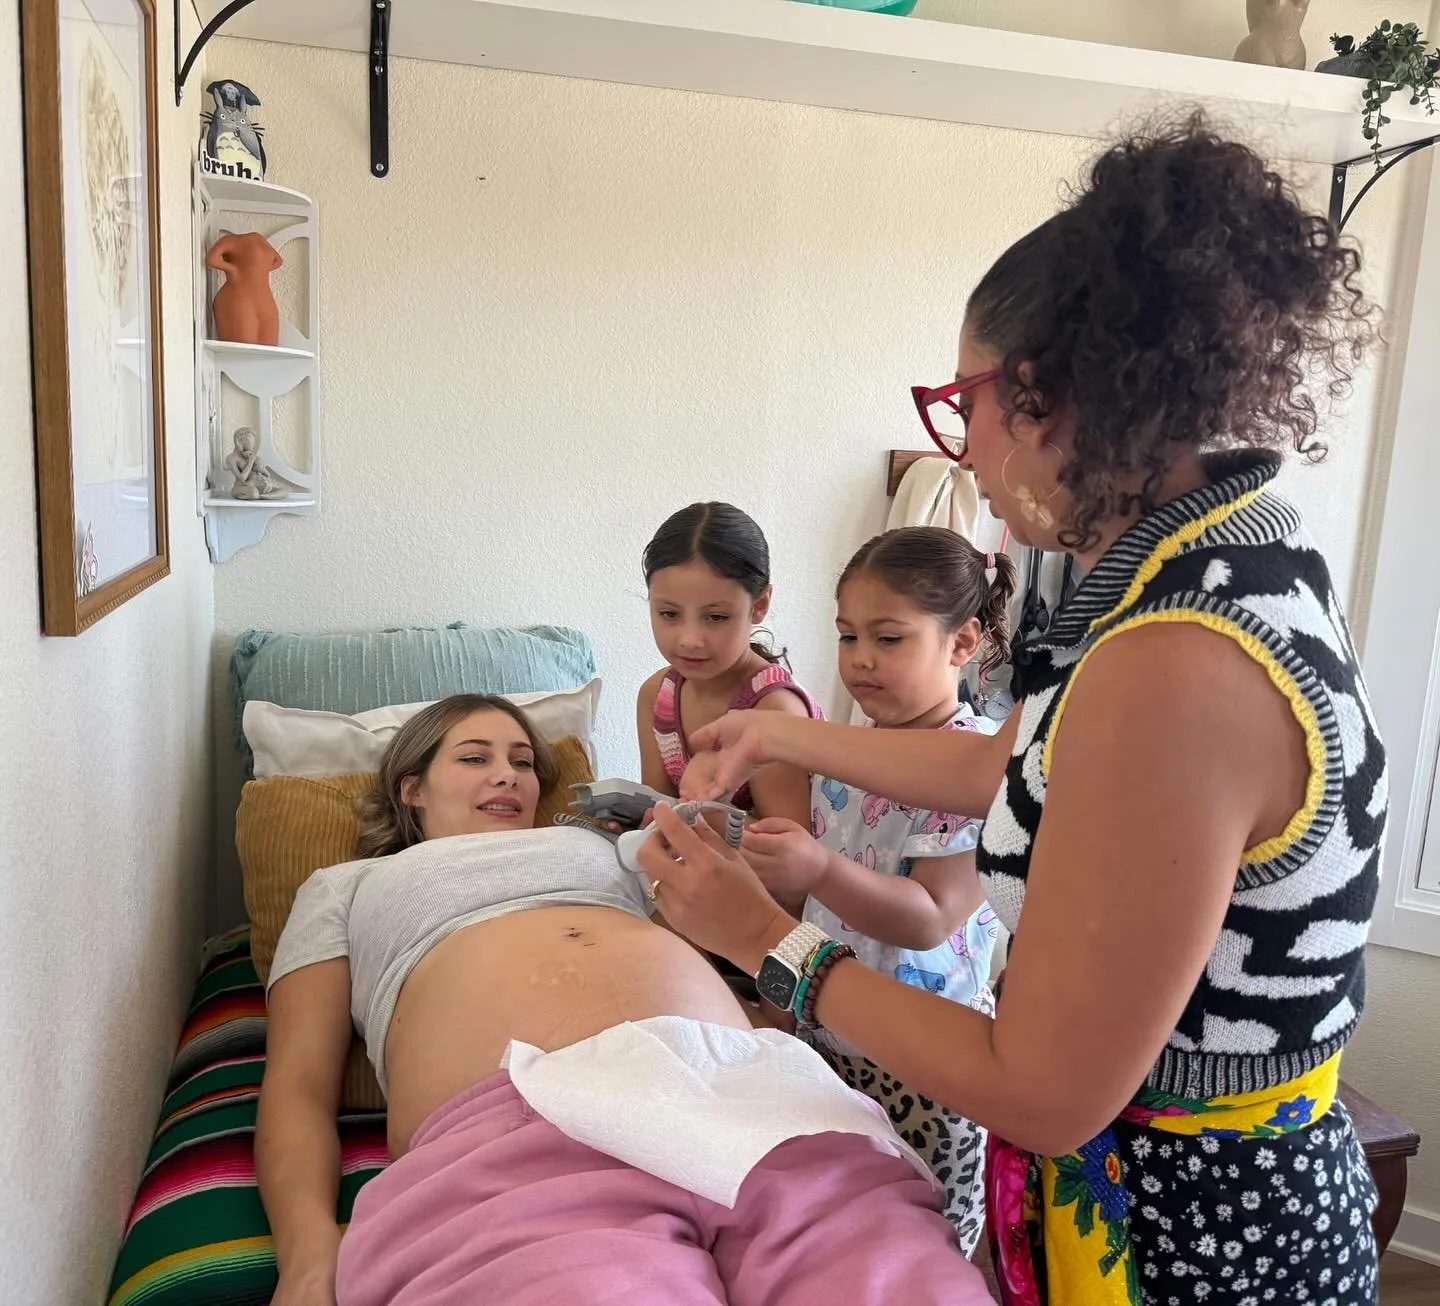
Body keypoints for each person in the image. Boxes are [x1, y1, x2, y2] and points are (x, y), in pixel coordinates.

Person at [640, 114, 1385, 1305]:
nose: (970, 451)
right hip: (1165, 1202)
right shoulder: (1223, 561)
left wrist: (766, 944)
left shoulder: (1177, 656)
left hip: (1186, 1243)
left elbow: (1045, 1089)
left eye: (965, 403)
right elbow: (1030, 774)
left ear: (1039, 393)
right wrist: (778, 729)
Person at [254, 693, 990, 1306]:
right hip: (523, 1136)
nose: (508, 775)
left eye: (522, 761)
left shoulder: (606, 849)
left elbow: (735, 929)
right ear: (410, 787)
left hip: (751, 1096)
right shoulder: (346, 887)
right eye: (474, 758)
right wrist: (309, 1252)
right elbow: (298, 1081)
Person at [742, 526, 1016, 1255]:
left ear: (962, 644)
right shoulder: (847, 752)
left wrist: (818, 870)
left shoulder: (974, 765)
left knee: (920, 1251)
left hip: (929, 1061)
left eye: (889, 639)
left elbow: (930, 919)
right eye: (847, 635)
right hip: (830, 1031)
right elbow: (824, 895)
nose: (860, 659)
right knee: (832, 1238)